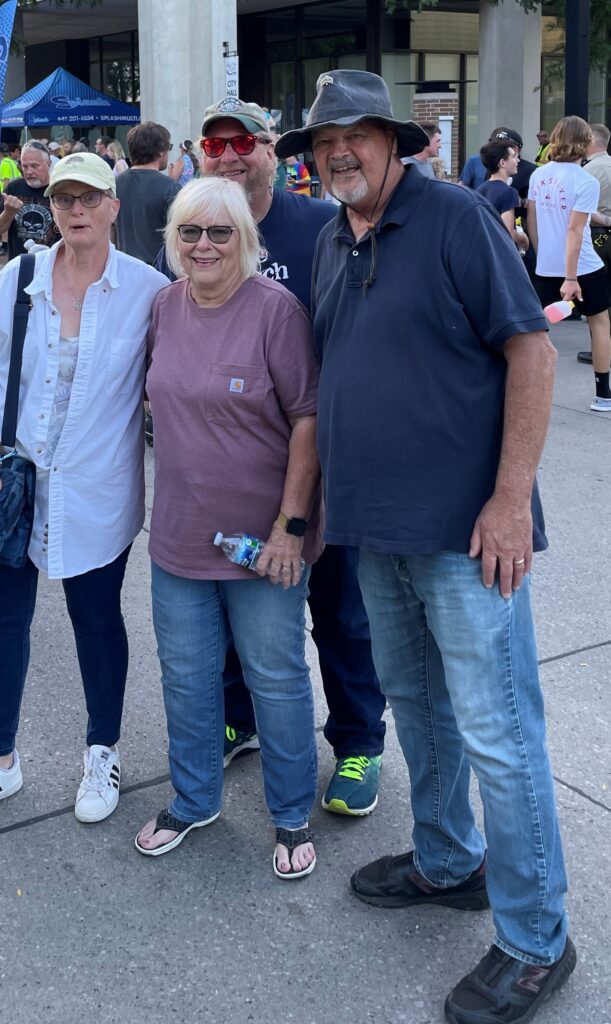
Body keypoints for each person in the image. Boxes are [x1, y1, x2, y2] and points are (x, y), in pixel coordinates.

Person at [276, 68, 575, 1024]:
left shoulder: (453, 217)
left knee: (500, 735)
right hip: (375, 531)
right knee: (419, 709)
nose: (338, 154)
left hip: (466, 534)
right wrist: (313, 511)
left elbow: (530, 351)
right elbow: (336, 378)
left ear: (393, 143)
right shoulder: (332, 240)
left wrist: (509, 500)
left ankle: (536, 939)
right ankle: (449, 862)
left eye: (355, 137)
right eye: (324, 142)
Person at [165, 96, 388, 817]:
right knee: (239, 607)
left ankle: (358, 741)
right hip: (240, 475)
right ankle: (243, 718)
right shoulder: (193, 230)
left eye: (245, 142)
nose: (230, 155)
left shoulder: (323, 225)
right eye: (215, 143)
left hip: (332, 457)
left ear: (272, 151)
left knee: (340, 613)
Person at [0, 152, 168, 831]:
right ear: (52, 206)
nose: (77, 210)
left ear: (113, 207)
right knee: (2, 623)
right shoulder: (22, 276)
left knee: (97, 621)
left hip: (96, 488)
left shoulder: (148, 290)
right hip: (11, 482)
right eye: (65, 198)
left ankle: (102, 752)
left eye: (90, 198)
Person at [135, 176, 320, 879]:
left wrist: (290, 528)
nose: (204, 245)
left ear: (245, 239)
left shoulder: (276, 311)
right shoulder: (163, 305)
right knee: (186, 677)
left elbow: (308, 420)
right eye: (190, 232)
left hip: (264, 545)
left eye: (220, 232)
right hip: (180, 536)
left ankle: (291, 812)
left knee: (275, 678)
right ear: (173, 240)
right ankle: (193, 799)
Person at [528, 116, 611, 412]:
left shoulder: (539, 175)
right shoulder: (585, 181)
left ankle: (531, 393)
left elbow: (533, 218)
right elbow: (575, 230)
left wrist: (542, 254)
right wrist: (571, 277)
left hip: (546, 266)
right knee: (600, 324)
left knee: (536, 330)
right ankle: (603, 395)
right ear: (586, 142)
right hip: (583, 267)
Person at [114, 122, 180, 265]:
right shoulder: (170, 188)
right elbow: (181, 237)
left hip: (123, 269)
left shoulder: (114, 185)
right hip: (159, 272)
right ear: (161, 151)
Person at [576, 123, 611, 365]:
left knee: (598, 298)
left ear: (591, 141)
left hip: (598, 235)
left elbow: (583, 209)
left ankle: (601, 350)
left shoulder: (588, 171)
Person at [0, 141, 59, 260]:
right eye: (25, 166)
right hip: (20, 265)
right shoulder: (13, 189)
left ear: (49, 164)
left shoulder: (60, 189)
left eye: (34, 166)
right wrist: (8, 213)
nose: (28, 172)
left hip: (53, 265)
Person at [477, 139, 528, 252]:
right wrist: (522, 238)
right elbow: (508, 232)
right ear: (502, 163)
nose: (518, 160)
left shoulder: (479, 190)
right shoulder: (509, 192)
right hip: (500, 252)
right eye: (513, 156)